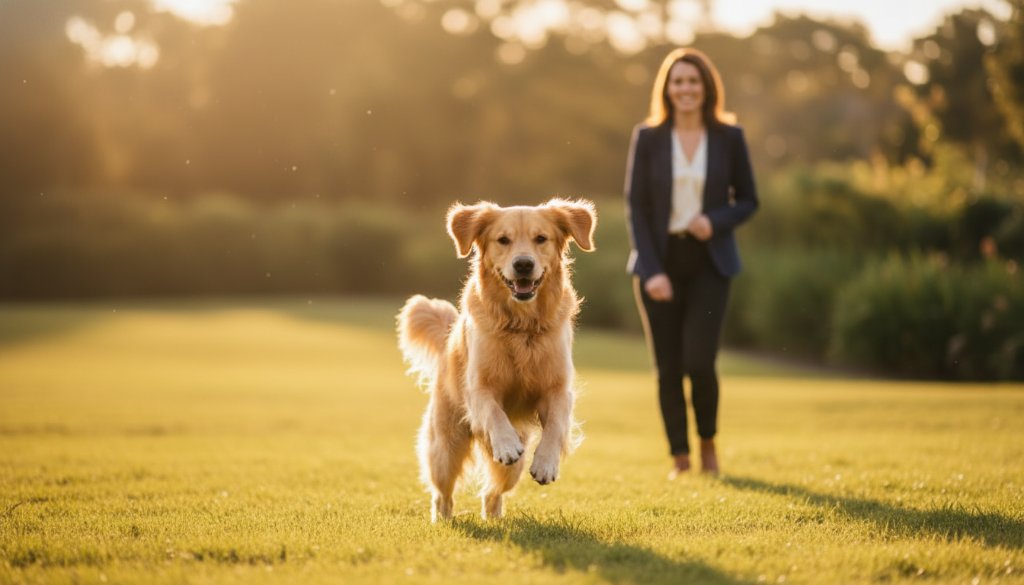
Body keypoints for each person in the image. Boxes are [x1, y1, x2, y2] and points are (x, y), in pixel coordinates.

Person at [624, 47, 759, 477]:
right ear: (667, 88)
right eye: (678, 81)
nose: (685, 89)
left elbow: (749, 200)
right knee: (667, 370)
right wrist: (652, 271)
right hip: (660, 261)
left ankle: (708, 446)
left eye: (693, 81)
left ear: (706, 88)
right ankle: (679, 459)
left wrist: (714, 220)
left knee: (699, 362)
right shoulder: (647, 137)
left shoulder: (728, 137)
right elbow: (636, 208)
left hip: (709, 262)